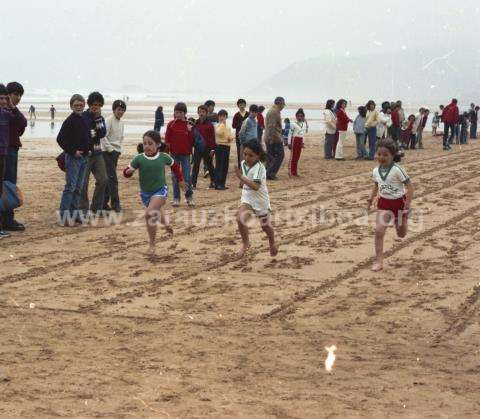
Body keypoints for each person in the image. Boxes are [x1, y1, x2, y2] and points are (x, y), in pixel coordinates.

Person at [123, 130, 185, 256]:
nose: (147, 146)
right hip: (145, 193)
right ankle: (167, 225)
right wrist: (128, 172)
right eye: (145, 143)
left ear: (158, 145)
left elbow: (175, 166)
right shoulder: (139, 158)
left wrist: (180, 180)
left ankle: (152, 244)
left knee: (150, 214)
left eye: (150, 143)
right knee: (156, 211)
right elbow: (126, 172)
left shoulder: (163, 157)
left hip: (160, 190)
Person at [367, 139, 414, 272]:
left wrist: (407, 205)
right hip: (384, 204)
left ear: (393, 155)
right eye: (379, 154)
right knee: (379, 231)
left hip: (399, 204)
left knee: (401, 234)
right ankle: (379, 261)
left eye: (385, 155)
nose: (381, 157)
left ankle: (404, 220)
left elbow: (410, 187)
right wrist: (370, 200)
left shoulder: (398, 170)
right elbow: (376, 185)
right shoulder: (375, 170)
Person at [235, 139, 277, 257]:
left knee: (265, 227)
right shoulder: (243, 164)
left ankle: (272, 242)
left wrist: (241, 178)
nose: (247, 158)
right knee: (240, 218)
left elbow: (256, 186)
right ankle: (246, 243)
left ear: (258, 156)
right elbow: (245, 177)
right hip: (247, 198)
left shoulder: (260, 168)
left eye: (251, 155)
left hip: (260, 201)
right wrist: (241, 182)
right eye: (245, 154)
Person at [56, 94, 90, 226]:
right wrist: (72, 151)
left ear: (84, 105)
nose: (79, 107)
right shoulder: (69, 120)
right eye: (76, 105)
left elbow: (88, 136)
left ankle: (74, 215)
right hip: (73, 158)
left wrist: (90, 149)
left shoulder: (85, 119)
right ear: (71, 106)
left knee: (78, 188)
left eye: (81, 105)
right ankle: (64, 217)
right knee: (70, 187)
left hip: (85, 158)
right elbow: (60, 139)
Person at [2, 82, 27, 232]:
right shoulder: (5, 111)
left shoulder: (12, 111)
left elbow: (22, 124)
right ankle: (6, 220)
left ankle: (7, 219)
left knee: (9, 184)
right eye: (15, 94)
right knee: (7, 184)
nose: (17, 98)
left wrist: (13, 108)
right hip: (6, 150)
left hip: (12, 150)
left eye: (19, 95)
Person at [80, 92, 108, 216]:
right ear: (89, 104)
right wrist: (93, 132)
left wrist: (97, 119)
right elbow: (85, 133)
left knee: (103, 180)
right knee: (83, 183)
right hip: (85, 154)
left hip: (97, 153)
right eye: (94, 105)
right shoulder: (83, 116)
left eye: (98, 105)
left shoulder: (100, 118)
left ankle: (96, 208)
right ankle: (83, 209)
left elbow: (102, 133)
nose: (96, 107)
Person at [164, 102, 194, 207]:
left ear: (184, 113)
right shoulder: (171, 124)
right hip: (174, 155)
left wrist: (190, 131)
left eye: (181, 112)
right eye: (176, 112)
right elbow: (167, 139)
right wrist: (166, 153)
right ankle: (176, 198)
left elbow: (192, 141)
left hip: (186, 155)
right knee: (175, 176)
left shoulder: (188, 124)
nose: (178, 114)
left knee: (186, 177)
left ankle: (189, 197)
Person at [101, 99, 126, 212]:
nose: (120, 112)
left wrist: (118, 149)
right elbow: (103, 136)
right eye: (118, 109)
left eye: (122, 110)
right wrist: (110, 149)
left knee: (108, 178)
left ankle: (104, 203)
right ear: (114, 110)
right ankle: (115, 204)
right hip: (107, 152)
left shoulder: (122, 122)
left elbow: (120, 137)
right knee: (112, 179)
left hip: (116, 152)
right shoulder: (108, 120)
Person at [0, 84, 14, 237]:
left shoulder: (5, 113)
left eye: (5, 98)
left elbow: (19, 120)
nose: (3, 101)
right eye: (1, 98)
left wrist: (10, 104)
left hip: (3, 154)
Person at [191, 105, 216, 190]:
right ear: (198, 112)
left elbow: (213, 137)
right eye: (200, 112)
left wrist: (213, 149)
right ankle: (193, 184)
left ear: (206, 113)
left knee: (210, 165)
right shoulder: (195, 123)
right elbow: (192, 135)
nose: (201, 113)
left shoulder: (210, 125)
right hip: (198, 148)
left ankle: (213, 182)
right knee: (196, 166)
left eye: (203, 112)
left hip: (208, 148)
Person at [264, 96, 286, 180]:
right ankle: (270, 173)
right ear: (279, 103)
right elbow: (271, 127)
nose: (283, 106)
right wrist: (271, 139)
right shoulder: (274, 112)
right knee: (280, 155)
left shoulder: (273, 110)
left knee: (271, 156)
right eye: (283, 104)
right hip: (274, 137)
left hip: (270, 136)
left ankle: (267, 173)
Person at [214, 109, 234, 190]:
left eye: (224, 116)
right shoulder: (217, 125)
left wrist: (230, 138)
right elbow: (219, 133)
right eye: (220, 116)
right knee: (219, 165)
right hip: (219, 146)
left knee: (225, 166)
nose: (222, 117)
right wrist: (222, 124)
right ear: (218, 117)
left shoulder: (227, 126)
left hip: (227, 146)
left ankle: (222, 183)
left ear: (226, 117)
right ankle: (217, 184)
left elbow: (230, 136)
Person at [288, 108, 307, 176]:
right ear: (296, 116)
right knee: (293, 156)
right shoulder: (293, 124)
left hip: (300, 140)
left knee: (297, 157)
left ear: (303, 117)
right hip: (294, 140)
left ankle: (295, 172)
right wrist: (289, 143)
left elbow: (303, 134)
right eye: (298, 116)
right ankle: (291, 171)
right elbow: (290, 133)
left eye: (301, 116)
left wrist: (303, 142)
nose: (300, 117)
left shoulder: (304, 124)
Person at [232, 99, 249, 167]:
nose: (242, 106)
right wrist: (241, 124)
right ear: (238, 106)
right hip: (238, 136)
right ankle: (240, 165)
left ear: (245, 105)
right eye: (240, 105)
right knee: (239, 151)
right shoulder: (236, 115)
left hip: (247, 136)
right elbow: (233, 126)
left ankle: (247, 164)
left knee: (248, 150)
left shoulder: (248, 114)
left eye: (243, 104)